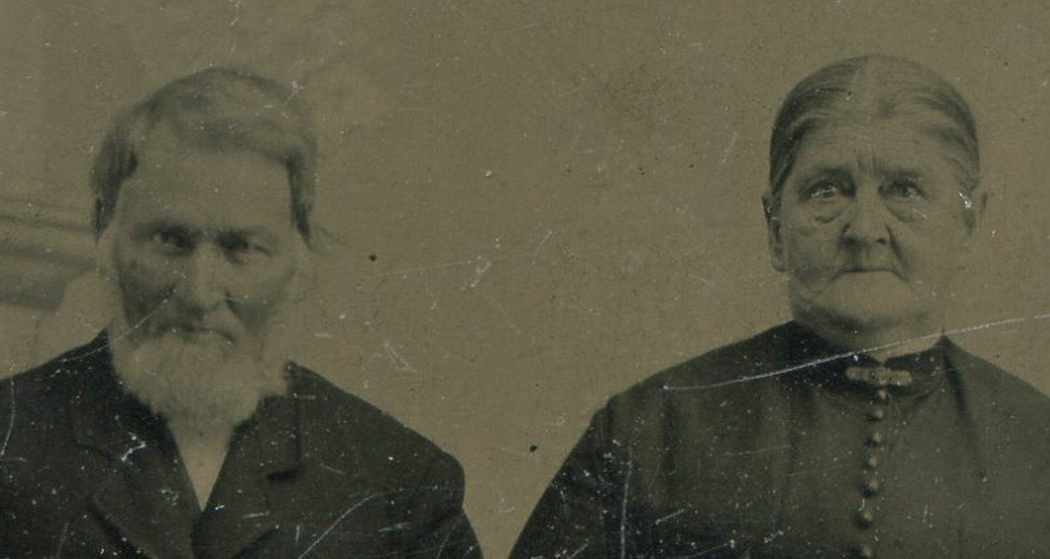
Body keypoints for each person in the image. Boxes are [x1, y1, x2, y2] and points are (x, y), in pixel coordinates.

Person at [510, 55, 1050, 559]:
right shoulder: (653, 429)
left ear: (969, 224)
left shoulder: (1037, 441)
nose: (865, 230)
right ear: (775, 229)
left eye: (904, 191)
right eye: (827, 191)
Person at [0, 68, 481, 559]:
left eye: (242, 248)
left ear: (297, 259)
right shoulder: (8, 443)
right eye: (170, 240)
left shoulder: (399, 487)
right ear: (105, 231)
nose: (199, 293)